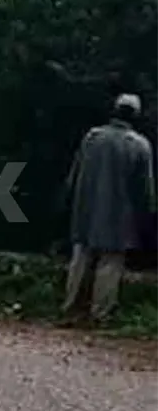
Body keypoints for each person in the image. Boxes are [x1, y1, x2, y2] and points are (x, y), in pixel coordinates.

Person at [61, 92, 156, 326]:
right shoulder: (140, 145)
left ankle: (71, 309)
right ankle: (100, 314)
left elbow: (74, 174)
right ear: (135, 116)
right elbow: (145, 188)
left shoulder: (92, 137)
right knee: (110, 263)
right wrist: (147, 214)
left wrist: (69, 199)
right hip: (119, 214)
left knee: (80, 259)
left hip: (86, 208)